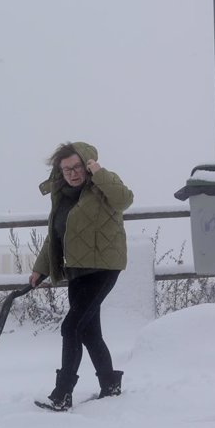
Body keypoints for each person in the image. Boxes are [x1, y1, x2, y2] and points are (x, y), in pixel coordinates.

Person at [30, 141, 134, 411]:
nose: (73, 173)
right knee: (88, 331)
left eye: (77, 166)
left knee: (71, 327)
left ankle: (62, 394)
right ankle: (110, 383)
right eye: (66, 169)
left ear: (87, 164)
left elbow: (125, 199)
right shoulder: (63, 196)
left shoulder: (103, 186)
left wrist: (99, 172)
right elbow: (55, 235)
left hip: (103, 268)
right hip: (77, 269)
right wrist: (41, 268)